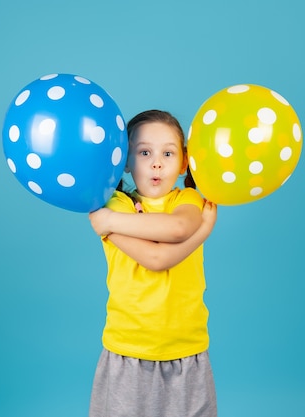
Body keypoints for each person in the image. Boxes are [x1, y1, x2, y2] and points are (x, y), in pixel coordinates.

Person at [88, 109, 218, 417]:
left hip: (186, 350)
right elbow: (156, 258)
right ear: (126, 161)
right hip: (129, 349)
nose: (157, 162)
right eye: (144, 152)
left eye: (168, 153)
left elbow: (176, 229)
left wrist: (198, 230)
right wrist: (204, 230)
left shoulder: (187, 200)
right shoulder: (115, 203)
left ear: (184, 161)